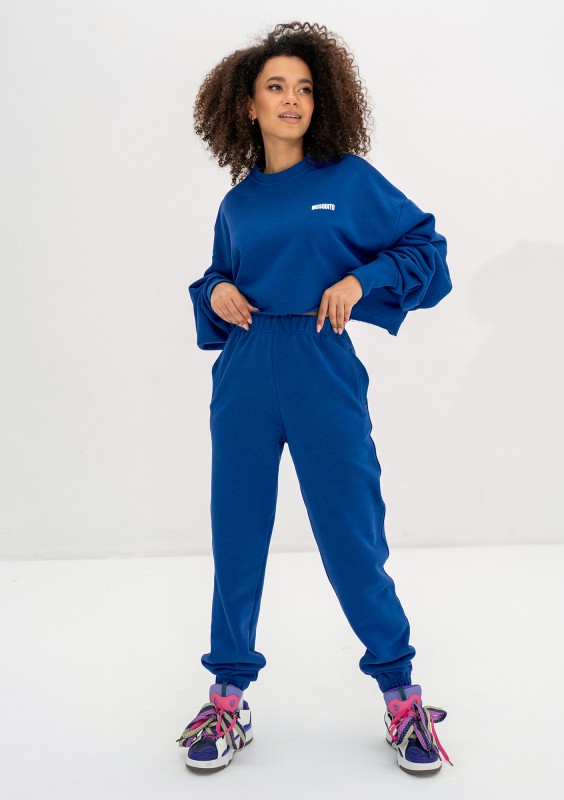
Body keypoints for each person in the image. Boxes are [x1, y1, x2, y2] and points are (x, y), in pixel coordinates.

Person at [176, 21, 453, 776]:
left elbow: (426, 249)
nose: (292, 99)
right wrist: (217, 289)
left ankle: (401, 695)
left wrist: (363, 280)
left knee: (350, 533)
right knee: (236, 532)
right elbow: (217, 277)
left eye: (303, 87)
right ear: (248, 106)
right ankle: (227, 696)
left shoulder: (348, 180)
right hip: (245, 371)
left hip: (320, 362)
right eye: (276, 87)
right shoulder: (238, 202)